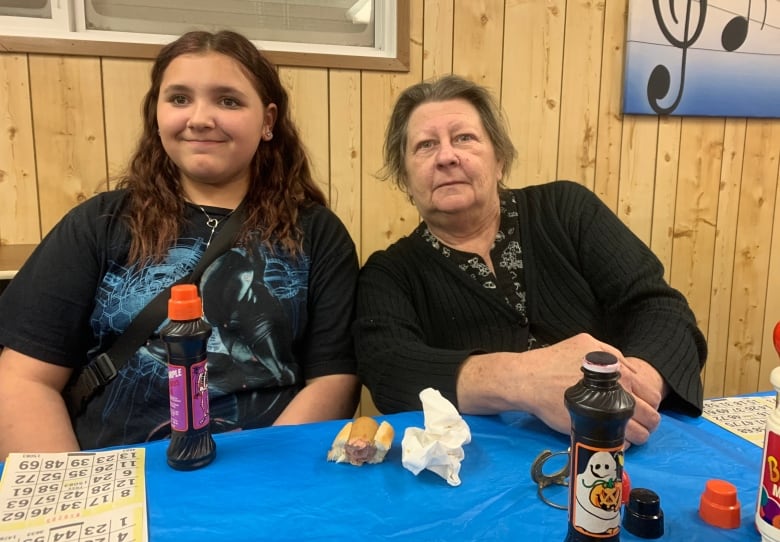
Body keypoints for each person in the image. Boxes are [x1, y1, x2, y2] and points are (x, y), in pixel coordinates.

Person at [0, 30, 360, 456]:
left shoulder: (317, 232)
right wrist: (72, 503)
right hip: (120, 479)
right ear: (157, 113)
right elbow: (25, 379)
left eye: (228, 100)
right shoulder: (99, 223)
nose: (200, 118)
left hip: (266, 474)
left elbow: (334, 379)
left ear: (267, 122)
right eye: (179, 99)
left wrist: (267, 478)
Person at [354, 74, 707, 446]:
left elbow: (662, 310)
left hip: (619, 446)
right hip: (481, 474)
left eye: (464, 138)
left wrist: (635, 387)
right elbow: (388, 368)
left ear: (500, 160)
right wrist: (522, 379)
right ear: (405, 179)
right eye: (425, 145)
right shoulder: (390, 273)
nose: (446, 156)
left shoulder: (567, 211)